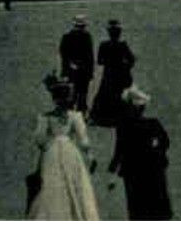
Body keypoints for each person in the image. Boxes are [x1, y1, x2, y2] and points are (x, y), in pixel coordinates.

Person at [27, 75, 99, 220]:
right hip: (69, 152)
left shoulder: (47, 117)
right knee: (68, 183)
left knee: (55, 184)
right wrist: (90, 156)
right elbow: (83, 140)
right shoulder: (74, 117)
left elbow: (40, 140)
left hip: (52, 153)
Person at [108, 86, 172, 220]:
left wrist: (112, 172)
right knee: (155, 207)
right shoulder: (153, 124)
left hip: (134, 172)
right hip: (152, 170)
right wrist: (156, 150)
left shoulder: (124, 127)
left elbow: (119, 151)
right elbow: (165, 142)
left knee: (138, 209)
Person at [90, 20, 136, 127]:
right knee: (119, 95)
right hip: (120, 75)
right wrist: (125, 67)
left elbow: (100, 61)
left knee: (104, 94)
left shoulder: (104, 45)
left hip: (109, 74)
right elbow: (131, 59)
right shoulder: (123, 45)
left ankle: (101, 117)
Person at [59, 15, 95, 113]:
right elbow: (90, 56)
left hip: (71, 69)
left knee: (72, 93)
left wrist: (66, 69)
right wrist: (90, 72)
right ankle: (81, 112)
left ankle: (70, 112)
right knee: (82, 93)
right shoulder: (87, 37)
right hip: (84, 70)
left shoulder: (67, 37)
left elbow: (63, 55)